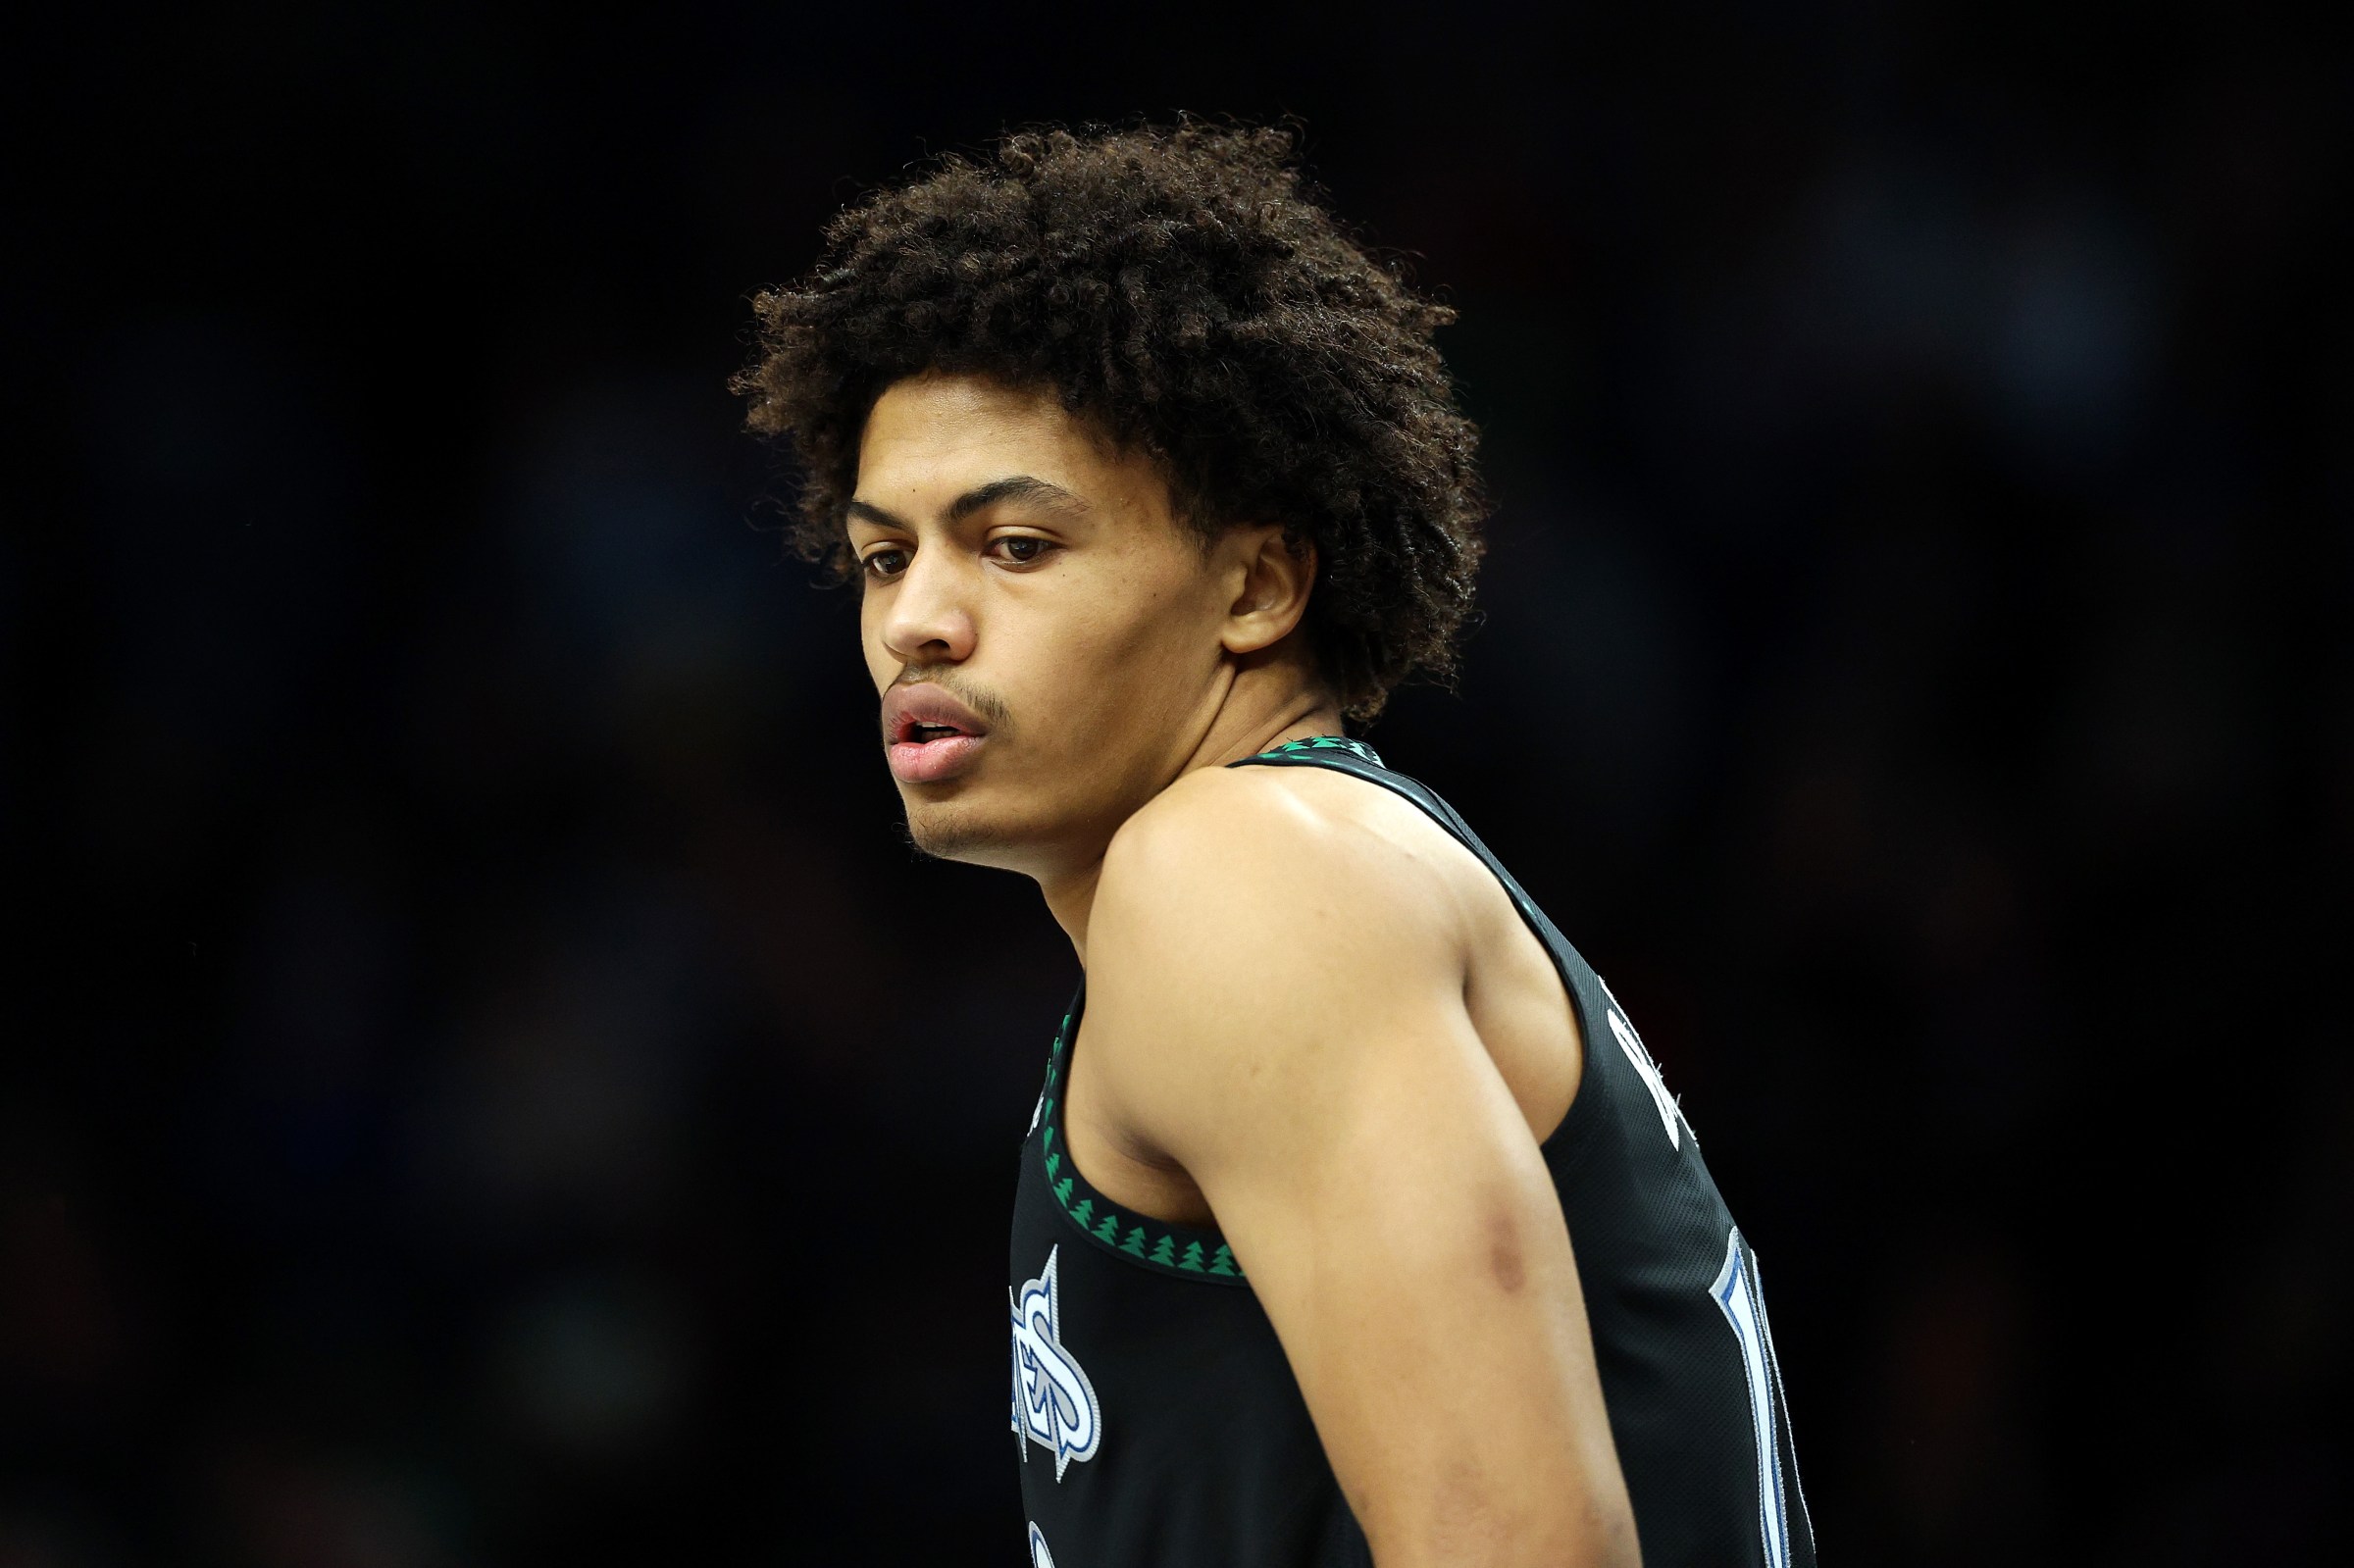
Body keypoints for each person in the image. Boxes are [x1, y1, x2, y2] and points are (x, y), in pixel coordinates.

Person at [737, 123, 1813, 1568]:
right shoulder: (1315, 870)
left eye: (1015, 546)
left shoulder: (1245, 874)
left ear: (1253, 585)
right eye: (886, 556)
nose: (915, 621)